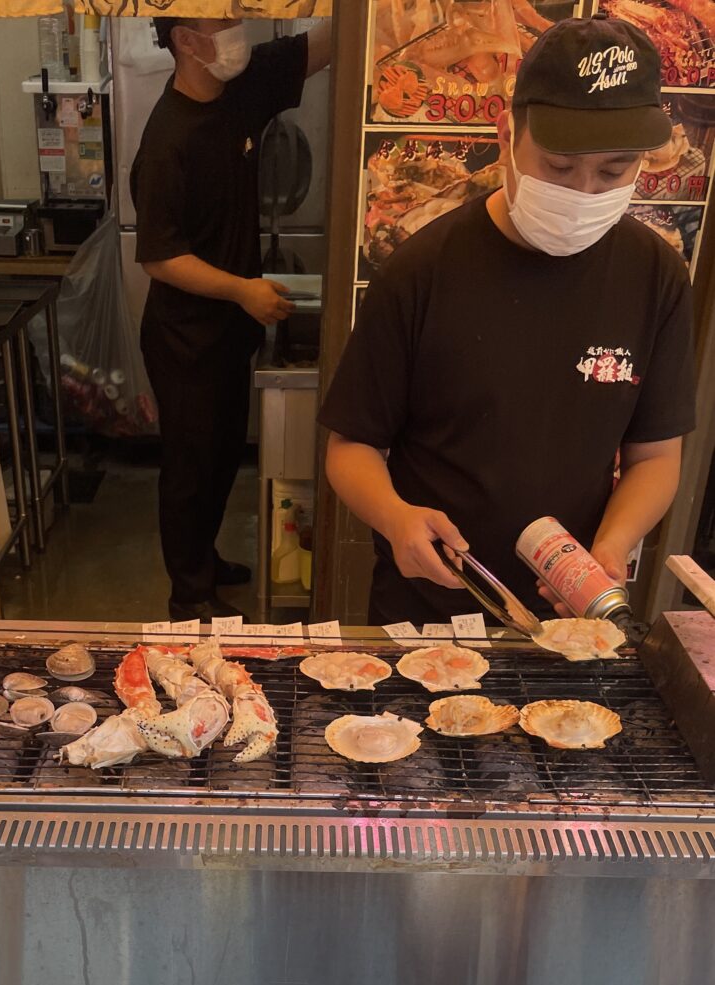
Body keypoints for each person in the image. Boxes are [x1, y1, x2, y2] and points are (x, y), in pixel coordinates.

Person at [319, 14, 695, 627]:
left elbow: (655, 456)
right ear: (506, 135)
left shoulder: (656, 275)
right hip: (430, 610)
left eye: (612, 171)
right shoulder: (421, 270)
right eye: (558, 167)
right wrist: (394, 517)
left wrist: (612, 544)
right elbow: (352, 445)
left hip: (572, 614)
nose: (583, 192)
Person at [131, 16, 331, 622]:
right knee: (191, 467)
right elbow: (161, 259)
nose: (237, 31)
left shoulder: (241, 88)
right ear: (186, 41)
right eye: (222, 23)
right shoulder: (167, 138)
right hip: (184, 339)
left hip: (229, 331)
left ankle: (207, 559)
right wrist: (243, 289)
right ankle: (188, 595)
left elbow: (329, 42)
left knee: (220, 458)